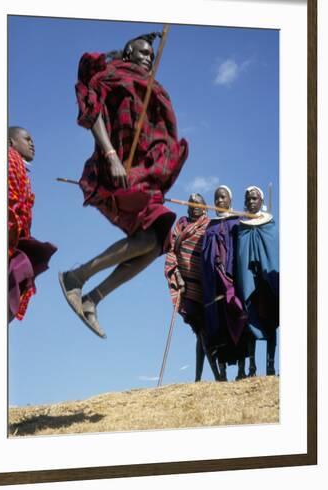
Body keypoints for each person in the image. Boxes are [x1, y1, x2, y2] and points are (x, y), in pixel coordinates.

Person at [59, 32, 188, 338]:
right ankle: (76, 277)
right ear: (129, 52)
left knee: (155, 244)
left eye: (151, 56)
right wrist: (111, 154)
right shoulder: (112, 76)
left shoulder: (153, 88)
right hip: (118, 168)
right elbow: (93, 113)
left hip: (144, 173)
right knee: (153, 234)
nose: (148, 58)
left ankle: (90, 297)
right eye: (142, 52)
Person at [164, 193, 220, 381]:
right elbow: (171, 251)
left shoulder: (210, 226)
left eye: (198, 204)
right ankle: (215, 375)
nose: (194, 206)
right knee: (200, 329)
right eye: (191, 204)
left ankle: (199, 377)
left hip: (206, 285)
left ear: (205, 207)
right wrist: (178, 275)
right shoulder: (180, 225)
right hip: (186, 286)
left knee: (202, 333)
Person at [8, 126, 57, 323]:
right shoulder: (10, 159)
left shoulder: (19, 166)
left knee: (20, 279)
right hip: (10, 238)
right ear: (11, 142)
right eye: (27, 139)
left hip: (14, 239)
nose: (32, 143)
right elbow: (10, 202)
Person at [201, 185, 249, 381]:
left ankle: (241, 369)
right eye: (216, 198)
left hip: (234, 280)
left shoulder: (239, 221)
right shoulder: (210, 226)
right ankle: (222, 372)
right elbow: (204, 255)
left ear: (230, 200)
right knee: (218, 325)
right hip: (215, 284)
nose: (219, 201)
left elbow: (243, 249)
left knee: (239, 318)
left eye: (223, 198)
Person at [236, 186, 279, 376]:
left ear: (261, 201)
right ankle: (252, 366)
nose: (251, 202)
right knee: (249, 321)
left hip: (266, 282)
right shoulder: (241, 227)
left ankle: (270, 365)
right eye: (248, 199)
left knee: (270, 321)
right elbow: (239, 254)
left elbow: (274, 251)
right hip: (249, 281)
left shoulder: (270, 225)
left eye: (254, 199)